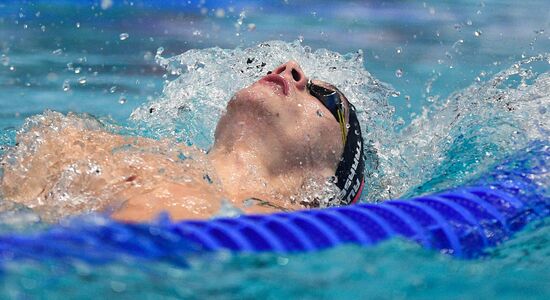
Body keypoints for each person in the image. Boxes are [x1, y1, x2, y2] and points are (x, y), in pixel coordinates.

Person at [0, 60, 365, 222]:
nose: (288, 68)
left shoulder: (292, 232)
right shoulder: (80, 145)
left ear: (326, 186)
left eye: (324, 96)